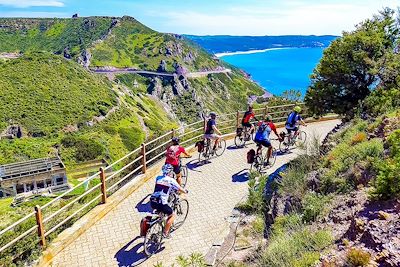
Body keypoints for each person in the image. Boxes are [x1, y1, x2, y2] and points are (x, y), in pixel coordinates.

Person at [150, 164, 188, 238]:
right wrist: (185, 191)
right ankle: (165, 233)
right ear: (170, 172)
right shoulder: (171, 180)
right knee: (172, 215)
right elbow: (179, 188)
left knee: (162, 212)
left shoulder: (158, 178)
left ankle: (159, 222)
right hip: (162, 202)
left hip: (153, 201)